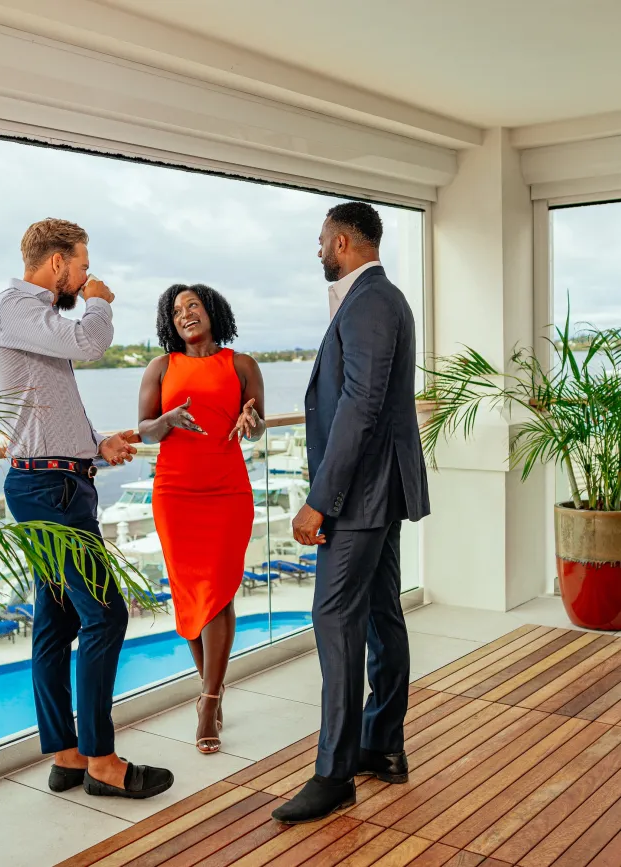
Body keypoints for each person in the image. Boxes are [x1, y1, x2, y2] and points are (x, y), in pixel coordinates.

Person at [0, 218, 174, 800]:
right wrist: (98, 304)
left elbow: (47, 405)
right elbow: (91, 344)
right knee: (107, 616)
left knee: (59, 622)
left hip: (57, 484)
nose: (90, 276)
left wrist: (95, 446)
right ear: (57, 261)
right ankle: (101, 761)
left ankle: (67, 756)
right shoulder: (15, 304)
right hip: (48, 492)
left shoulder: (33, 319)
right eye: (84, 266)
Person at [271, 202, 431, 825]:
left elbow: (360, 405)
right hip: (380, 487)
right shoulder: (383, 297)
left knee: (335, 617)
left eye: (320, 243)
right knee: (382, 612)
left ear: (341, 242)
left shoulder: (366, 301)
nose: (317, 253)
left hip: (359, 494)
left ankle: (335, 772)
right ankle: (382, 744)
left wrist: (319, 499)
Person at [138, 284, 265, 755]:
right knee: (191, 595)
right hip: (176, 494)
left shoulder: (242, 365)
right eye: (176, 311)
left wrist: (252, 422)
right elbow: (145, 431)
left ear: (212, 310)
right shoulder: (160, 368)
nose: (185, 314)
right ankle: (210, 691)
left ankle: (208, 701)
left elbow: (257, 427)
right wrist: (166, 420)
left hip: (227, 492)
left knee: (219, 591)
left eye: (192, 305)